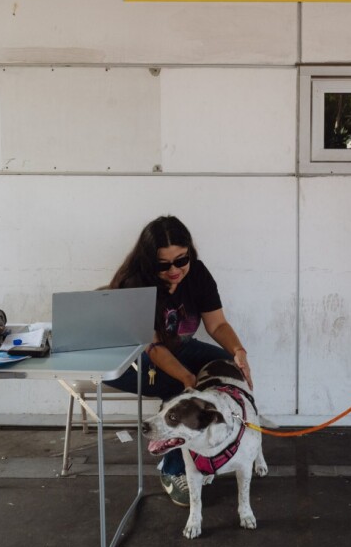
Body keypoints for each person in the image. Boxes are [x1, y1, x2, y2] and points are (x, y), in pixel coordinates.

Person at [103, 215, 253, 507]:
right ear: (149, 262)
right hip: (131, 357)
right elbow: (154, 347)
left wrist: (239, 352)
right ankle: (174, 470)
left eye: (180, 260)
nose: (174, 270)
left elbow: (218, 325)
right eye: (163, 264)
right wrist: (187, 379)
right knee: (180, 388)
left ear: (189, 254)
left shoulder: (196, 273)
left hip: (180, 348)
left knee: (228, 369)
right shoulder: (134, 283)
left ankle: (219, 445)